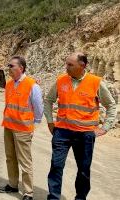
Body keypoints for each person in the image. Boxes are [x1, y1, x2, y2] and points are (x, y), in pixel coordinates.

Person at [45, 52, 117, 200]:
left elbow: (111, 105)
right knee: (56, 166)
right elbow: (48, 100)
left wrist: (105, 127)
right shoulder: (61, 80)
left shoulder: (96, 82)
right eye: (66, 64)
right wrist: (50, 122)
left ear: (82, 65)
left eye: (70, 65)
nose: (66, 67)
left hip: (85, 134)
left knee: (83, 170)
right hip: (62, 132)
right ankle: (53, 197)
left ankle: (80, 198)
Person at [0, 56, 44, 200]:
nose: (8, 68)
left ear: (21, 68)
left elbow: (38, 107)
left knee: (25, 161)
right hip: (9, 127)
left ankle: (28, 192)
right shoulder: (9, 84)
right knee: (10, 158)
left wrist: (34, 122)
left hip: (23, 129)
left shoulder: (32, 85)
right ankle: (12, 184)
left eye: (11, 66)